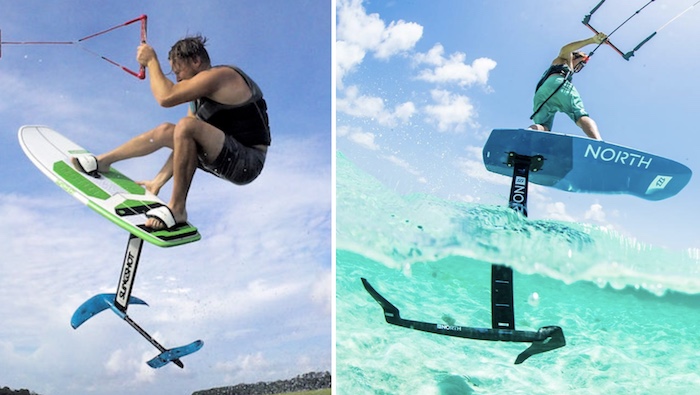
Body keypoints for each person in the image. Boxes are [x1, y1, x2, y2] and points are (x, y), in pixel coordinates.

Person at [72, 35, 271, 230]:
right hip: (224, 155)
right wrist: (157, 182)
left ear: (196, 60)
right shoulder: (197, 101)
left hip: (249, 161)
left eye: (178, 71)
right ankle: (104, 161)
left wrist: (151, 61)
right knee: (167, 130)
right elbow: (184, 144)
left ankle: (177, 209)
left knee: (185, 126)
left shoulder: (221, 76)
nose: (176, 79)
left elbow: (165, 97)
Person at [529, 32, 607, 140]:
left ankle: (528, 134)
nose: (581, 66)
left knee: (543, 126)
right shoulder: (567, 59)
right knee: (579, 115)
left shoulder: (561, 63)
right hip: (559, 84)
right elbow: (566, 49)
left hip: (543, 92)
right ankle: (598, 143)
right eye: (582, 62)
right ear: (576, 57)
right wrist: (592, 40)